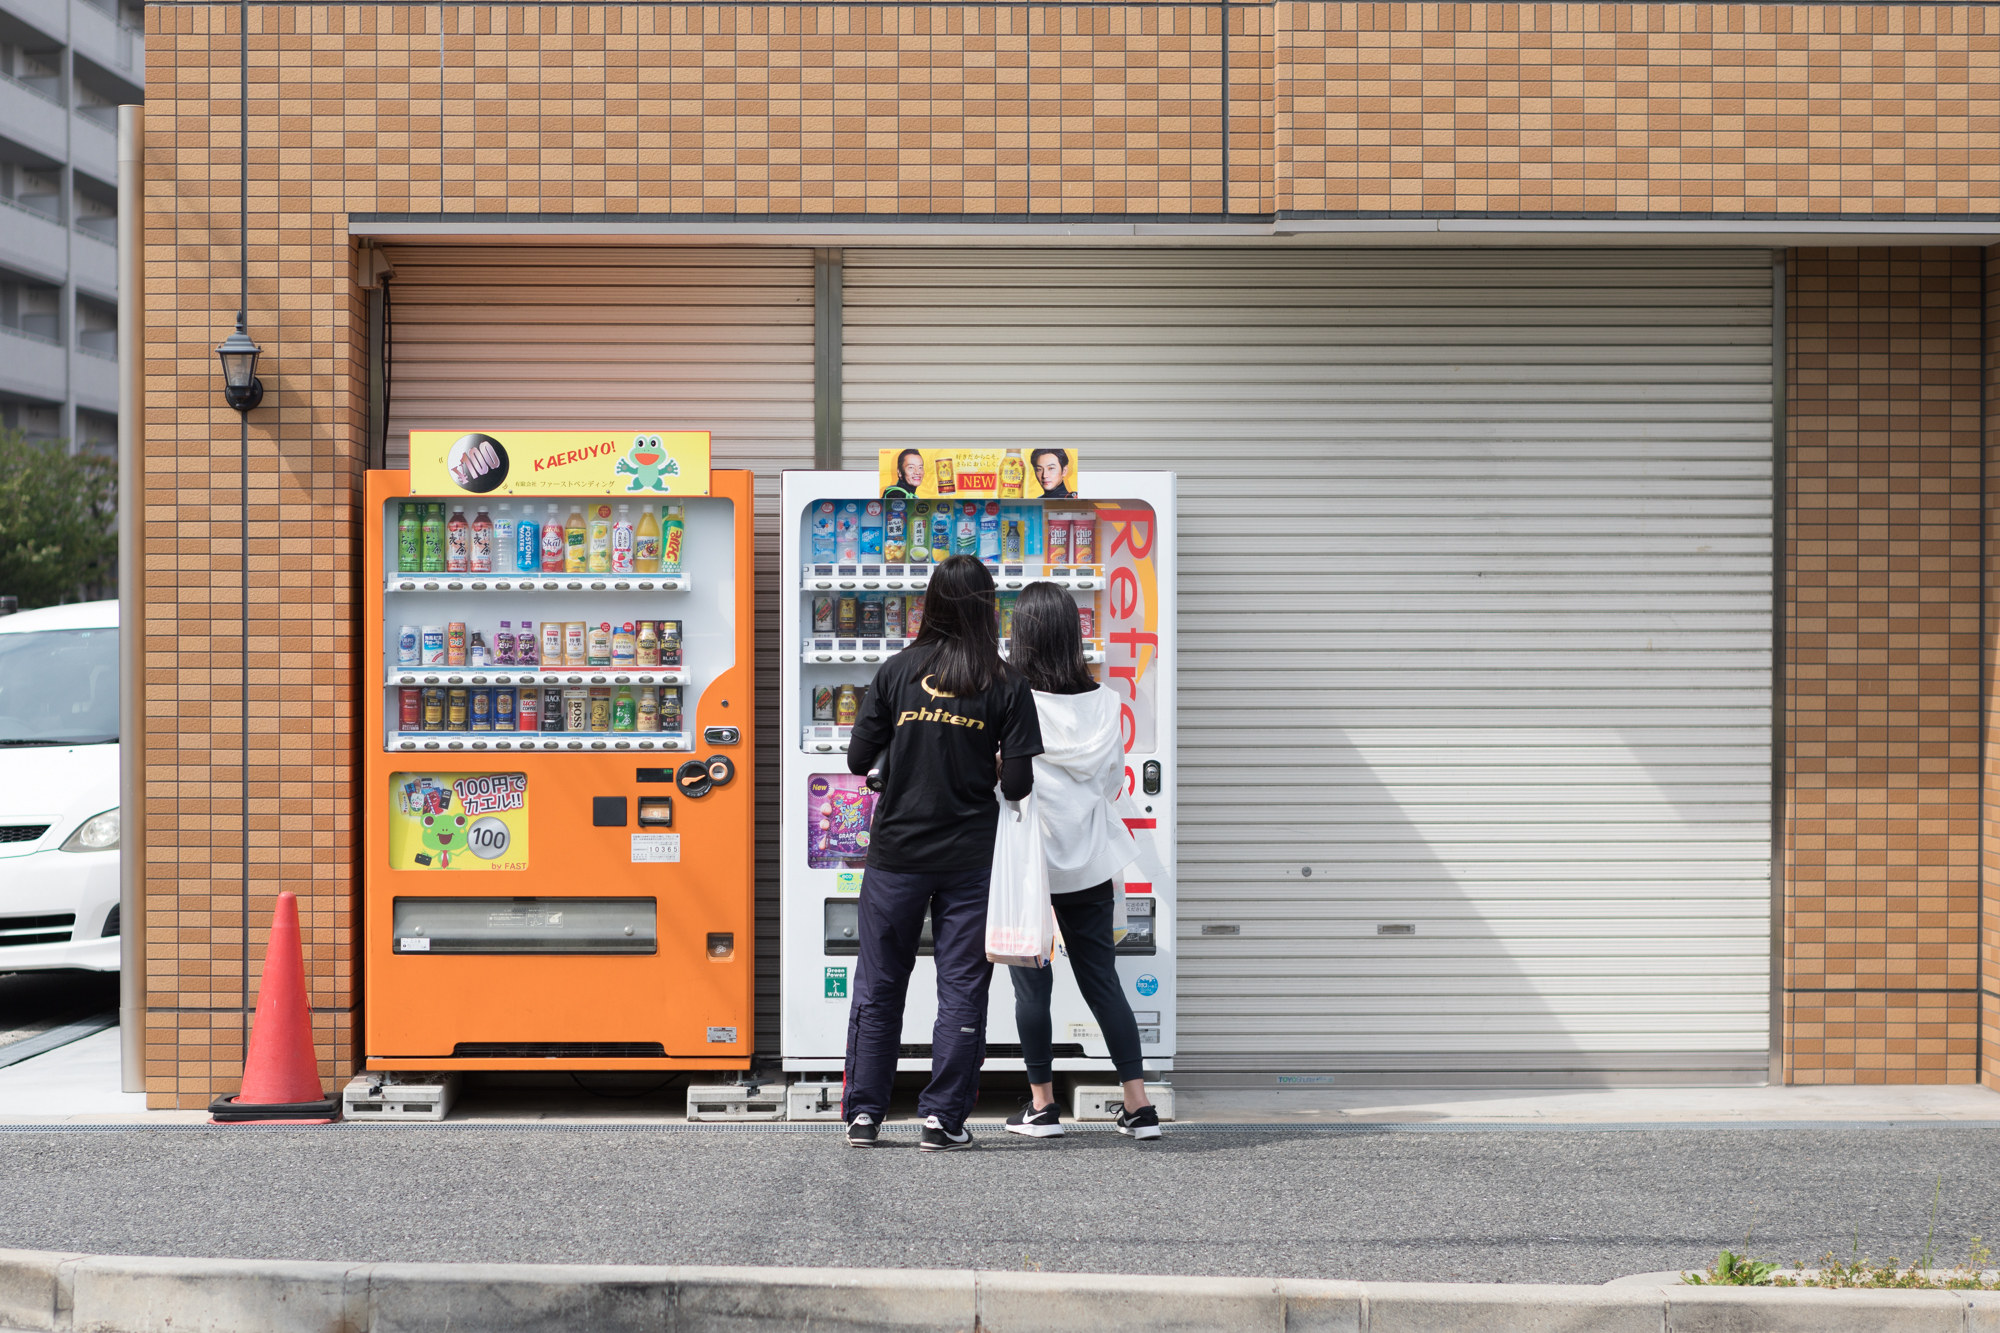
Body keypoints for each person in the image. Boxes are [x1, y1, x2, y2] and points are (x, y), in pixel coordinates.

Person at [842, 554, 1044, 1151]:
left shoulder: (896, 671)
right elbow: (1019, 786)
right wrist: (993, 763)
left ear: (929, 602)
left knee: (879, 985)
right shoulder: (1006, 683)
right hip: (970, 858)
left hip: (896, 853)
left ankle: (865, 1115)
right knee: (961, 987)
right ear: (988, 608)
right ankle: (943, 1119)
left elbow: (857, 762)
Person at [1000, 581, 1160, 1141]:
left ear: (1023, 635)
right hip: (1091, 860)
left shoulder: (1011, 696)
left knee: (1031, 987)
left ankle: (1043, 1107)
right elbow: (1114, 783)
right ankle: (1139, 1108)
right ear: (1073, 633)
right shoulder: (1109, 702)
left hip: (1029, 864)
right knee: (1102, 981)